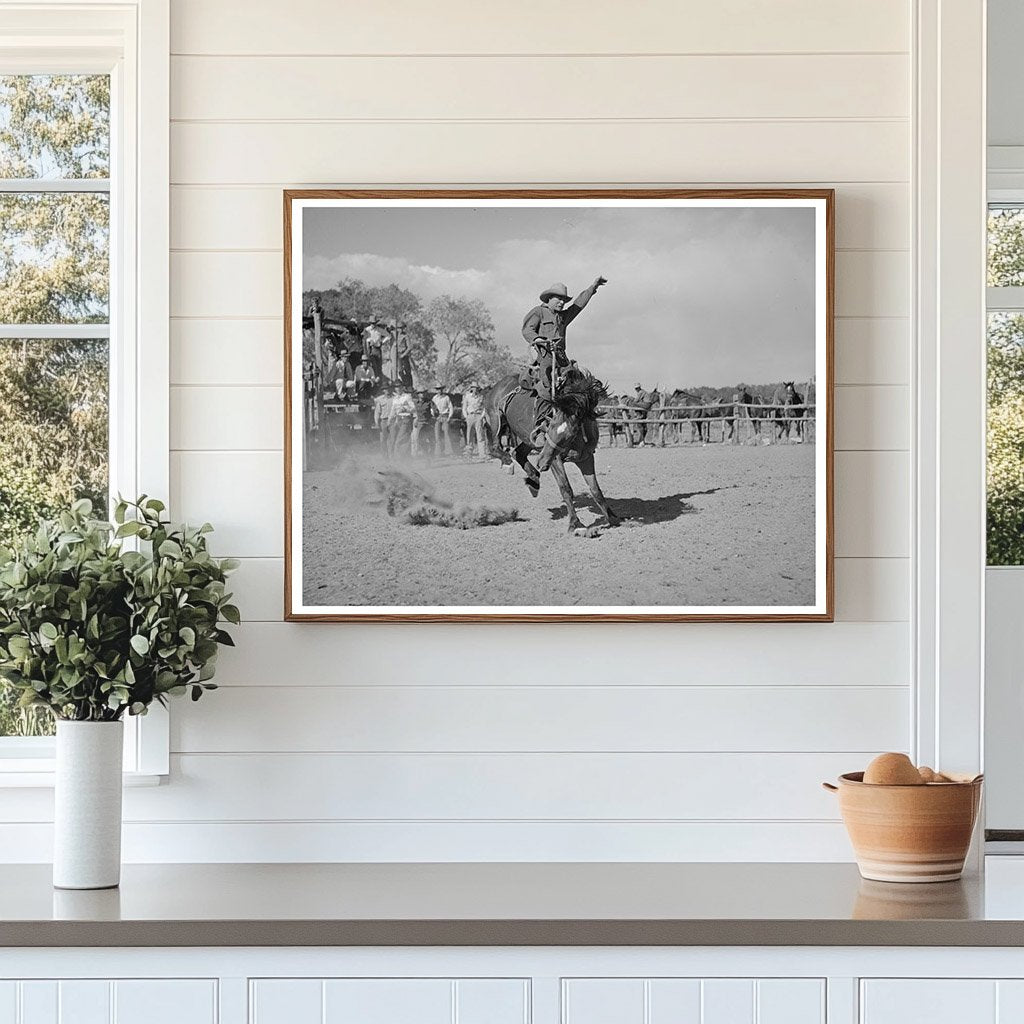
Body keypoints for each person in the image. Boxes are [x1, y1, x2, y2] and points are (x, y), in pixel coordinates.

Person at [521, 277, 607, 436]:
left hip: (562, 358)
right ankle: (540, 427)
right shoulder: (538, 312)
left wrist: (593, 288)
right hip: (545, 357)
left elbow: (578, 305)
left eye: (564, 300)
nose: (562, 302)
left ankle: (582, 424)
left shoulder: (563, 316)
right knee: (546, 389)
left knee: (580, 383)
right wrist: (538, 339)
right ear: (549, 298)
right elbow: (527, 330)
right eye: (558, 299)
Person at [388, 383, 416, 458]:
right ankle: (406, 459)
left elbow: (413, 408)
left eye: (399, 387)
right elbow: (393, 410)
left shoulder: (407, 397)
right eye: (396, 387)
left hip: (406, 419)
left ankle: (400, 459)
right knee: (400, 439)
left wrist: (405, 408)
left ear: (402, 388)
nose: (398, 389)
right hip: (398, 420)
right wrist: (389, 419)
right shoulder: (395, 398)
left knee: (400, 440)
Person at [462, 383, 487, 459]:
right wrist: (466, 416)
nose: (474, 389)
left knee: (480, 436)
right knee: (469, 435)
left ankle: (482, 454)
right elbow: (464, 407)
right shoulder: (467, 397)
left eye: (476, 388)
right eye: (473, 387)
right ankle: (469, 453)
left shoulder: (481, 397)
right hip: (470, 415)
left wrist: (482, 416)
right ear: (471, 389)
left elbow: (484, 407)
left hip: (478, 416)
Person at [362, 314, 389, 380]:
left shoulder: (379, 330)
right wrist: (369, 341)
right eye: (371, 323)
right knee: (371, 365)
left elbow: (388, 336)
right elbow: (364, 338)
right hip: (370, 349)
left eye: (374, 323)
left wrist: (382, 342)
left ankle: (380, 381)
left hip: (377, 349)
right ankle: (373, 380)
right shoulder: (367, 330)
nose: (373, 325)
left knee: (379, 365)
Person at [431, 386, 454, 456]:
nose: (439, 391)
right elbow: (432, 408)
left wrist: (449, 417)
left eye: (440, 389)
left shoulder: (446, 397)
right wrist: (433, 415)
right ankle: (438, 452)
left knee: (446, 434)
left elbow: (450, 407)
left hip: (445, 416)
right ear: (436, 390)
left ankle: (448, 451)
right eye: (438, 389)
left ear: (442, 390)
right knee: (437, 434)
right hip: (437, 417)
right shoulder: (434, 398)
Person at [373, 384, 394, 455]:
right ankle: (384, 456)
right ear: (383, 391)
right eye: (385, 389)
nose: (387, 390)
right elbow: (377, 412)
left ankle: (392, 456)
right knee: (383, 439)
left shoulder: (395, 398)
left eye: (388, 388)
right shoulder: (380, 400)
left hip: (392, 420)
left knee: (392, 439)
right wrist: (376, 422)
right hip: (383, 421)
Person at [395, 324, 414, 388]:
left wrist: (403, 354)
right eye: (399, 328)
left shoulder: (406, 336)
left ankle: (410, 386)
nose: (400, 330)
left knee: (407, 371)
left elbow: (409, 347)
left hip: (404, 355)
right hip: (398, 355)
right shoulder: (395, 335)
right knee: (400, 371)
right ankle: (405, 384)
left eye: (401, 328)